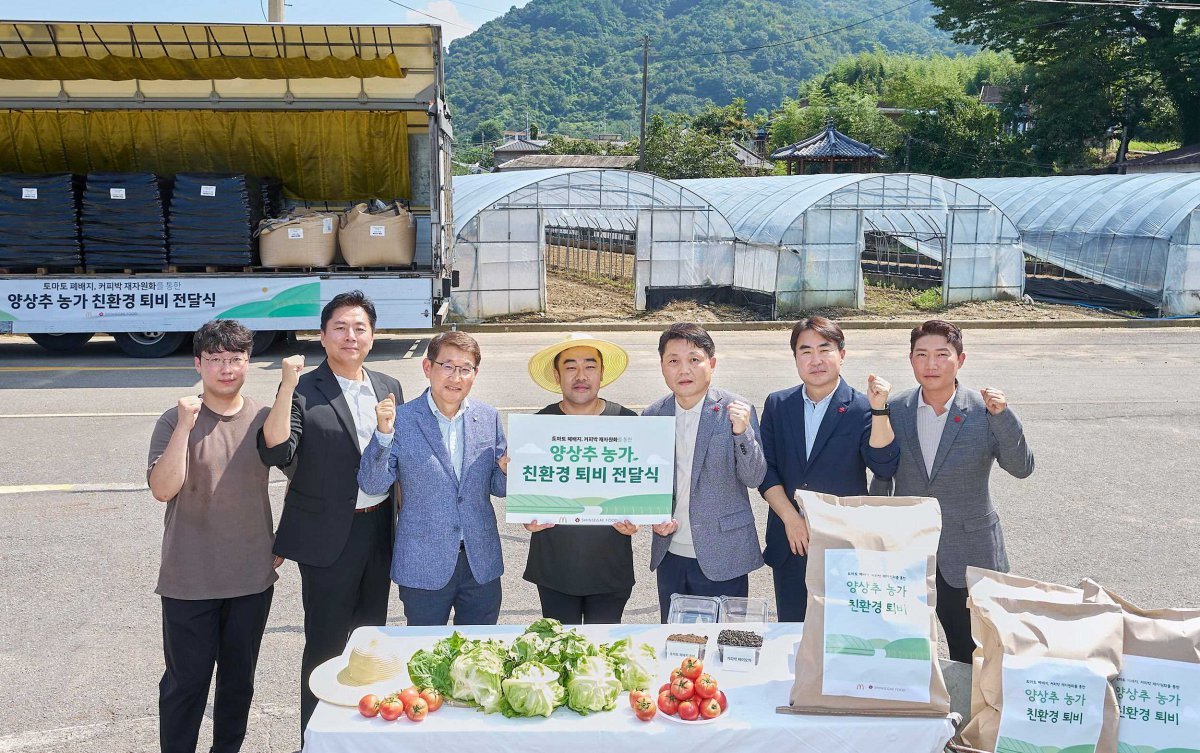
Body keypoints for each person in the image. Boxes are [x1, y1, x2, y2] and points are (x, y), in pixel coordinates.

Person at [256, 291, 403, 738]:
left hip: (378, 529)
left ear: (372, 336)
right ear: (322, 336)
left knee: (370, 644)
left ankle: (363, 738)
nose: (350, 336)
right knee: (325, 646)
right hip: (326, 537)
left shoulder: (388, 386)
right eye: (340, 327)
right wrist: (285, 386)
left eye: (359, 328)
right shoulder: (303, 390)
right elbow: (276, 450)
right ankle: (315, 739)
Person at [147, 320, 280, 753]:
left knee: (238, 683)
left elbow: (303, 475)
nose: (227, 369)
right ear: (198, 363)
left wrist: (283, 539)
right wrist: (186, 427)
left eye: (236, 359)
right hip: (190, 579)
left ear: (248, 362)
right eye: (216, 359)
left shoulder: (263, 417)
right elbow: (163, 488)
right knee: (186, 684)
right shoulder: (174, 419)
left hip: (251, 579)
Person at [870, 319, 1034, 662]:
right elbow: (883, 474)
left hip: (970, 550)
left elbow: (1021, 467)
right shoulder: (896, 408)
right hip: (909, 551)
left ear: (960, 360)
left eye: (942, 354)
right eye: (922, 354)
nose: (931, 364)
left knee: (973, 653)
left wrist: (1004, 416)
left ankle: (976, 715)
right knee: (905, 650)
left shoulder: (983, 410)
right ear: (911, 359)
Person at [357, 331, 509, 626]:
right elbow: (373, 484)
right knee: (425, 657)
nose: (456, 377)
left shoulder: (487, 417)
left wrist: (505, 471)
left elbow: (496, 487)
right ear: (428, 368)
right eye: (447, 366)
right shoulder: (401, 419)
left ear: (474, 374)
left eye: (465, 369)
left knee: (480, 658)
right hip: (422, 564)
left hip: (481, 563)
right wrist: (383, 436)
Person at [759, 317, 900, 623]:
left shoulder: (862, 406)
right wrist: (791, 517)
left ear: (842, 354)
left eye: (825, 349)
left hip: (844, 544)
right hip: (791, 539)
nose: (816, 360)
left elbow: (884, 465)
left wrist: (879, 410)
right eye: (805, 351)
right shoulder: (778, 404)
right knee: (793, 634)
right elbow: (766, 470)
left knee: (844, 638)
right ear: (795, 357)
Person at [643, 322, 767, 623]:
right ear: (662, 366)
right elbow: (646, 482)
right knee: (676, 644)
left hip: (724, 551)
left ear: (711, 363)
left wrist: (742, 432)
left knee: (725, 645)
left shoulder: (734, 409)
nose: (683, 370)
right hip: (671, 552)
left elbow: (755, 477)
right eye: (673, 361)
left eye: (694, 359)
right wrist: (651, 517)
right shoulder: (653, 415)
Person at [521, 333, 639, 624]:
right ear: (557, 374)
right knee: (561, 652)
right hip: (554, 568)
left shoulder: (629, 422)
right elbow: (527, 491)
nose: (581, 375)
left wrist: (639, 518)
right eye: (571, 366)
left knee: (603, 657)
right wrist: (527, 513)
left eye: (590, 366)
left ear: (601, 373)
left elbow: (647, 482)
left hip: (610, 568)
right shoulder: (537, 426)